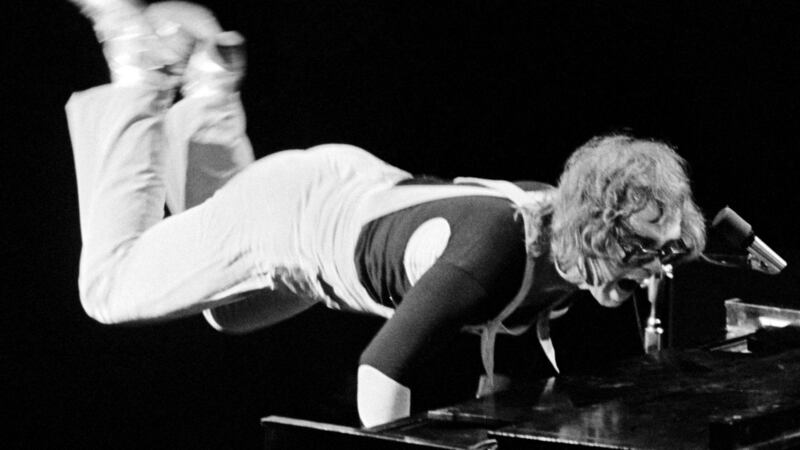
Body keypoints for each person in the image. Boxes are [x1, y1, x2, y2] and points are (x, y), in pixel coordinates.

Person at [65, 0, 706, 427]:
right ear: (595, 228)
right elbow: (380, 374)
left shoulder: (562, 231)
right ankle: (137, 74)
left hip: (338, 195)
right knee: (111, 287)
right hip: (298, 220)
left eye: (667, 249)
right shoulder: (490, 257)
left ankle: (208, 87)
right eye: (645, 251)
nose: (656, 269)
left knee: (222, 307)